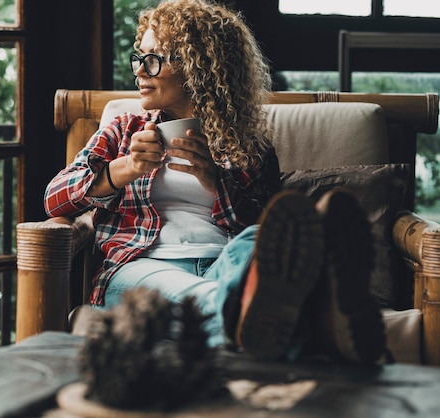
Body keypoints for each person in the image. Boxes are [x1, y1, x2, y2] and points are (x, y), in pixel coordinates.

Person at [44, 0, 386, 364]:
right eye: (139, 57)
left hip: (228, 261)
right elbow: (55, 199)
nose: (140, 71)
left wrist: (216, 183)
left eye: (155, 58)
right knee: (214, 298)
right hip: (140, 264)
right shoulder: (123, 131)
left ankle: (275, 309)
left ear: (198, 67)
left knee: (263, 239)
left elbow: (257, 223)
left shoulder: (248, 145)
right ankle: (317, 320)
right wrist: (124, 169)